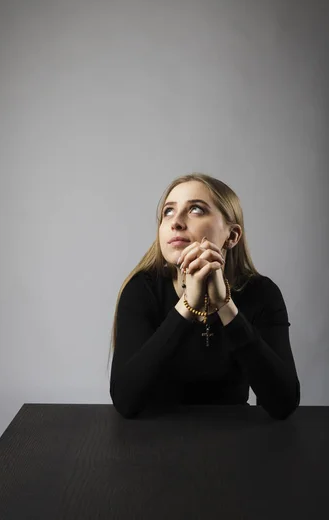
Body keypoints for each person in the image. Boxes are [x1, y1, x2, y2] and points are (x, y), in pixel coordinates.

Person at [109, 173, 300, 420]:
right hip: (155, 442)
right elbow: (125, 400)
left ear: (232, 236)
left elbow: (283, 403)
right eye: (168, 212)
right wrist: (187, 306)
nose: (176, 222)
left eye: (196, 210)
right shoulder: (141, 290)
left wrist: (225, 305)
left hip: (235, 442)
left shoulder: (262, 293)